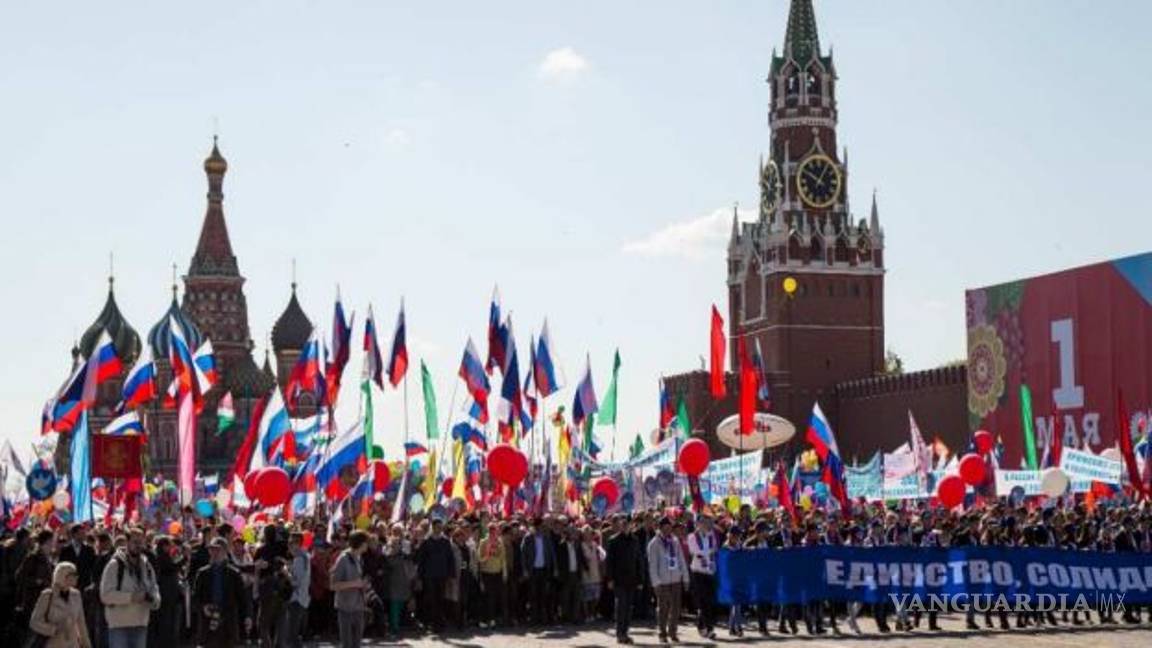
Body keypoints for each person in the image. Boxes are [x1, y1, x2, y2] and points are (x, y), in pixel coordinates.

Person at [99, 528, 160, 648]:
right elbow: (105, 595)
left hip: (141, 624)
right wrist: (131, 597)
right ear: (127, 543)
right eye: (135, 542)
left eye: (140, 542)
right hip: (119, 626)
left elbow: (154, 588)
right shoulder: (114, 565)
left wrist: (154, 600)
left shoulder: (147, 566)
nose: (138, 545)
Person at [192, 538, 250, 648]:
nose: (214, 553)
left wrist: (247, 616)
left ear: (225, 551)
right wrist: (203, 607)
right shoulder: (202, 573)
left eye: (217, 550)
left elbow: (242, 598)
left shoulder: (234, 573)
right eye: (212, 550)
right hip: (208, 620)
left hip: (228, 620)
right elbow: (195, 597)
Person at [29, 561, 91, 648]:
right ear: (62, 576)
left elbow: (81, 624)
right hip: (53, 644)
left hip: (72, 645)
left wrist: (86, 645)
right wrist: (53, 629)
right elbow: (34, 622)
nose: (76, 577)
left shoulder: (76, 595)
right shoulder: (47, 596)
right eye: (72, 574)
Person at [646, 516, 688, 644]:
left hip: (675, 579)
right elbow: (652, 565)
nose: (668, 529)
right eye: (666, 527)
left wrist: (685, 577)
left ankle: (673, 632)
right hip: (662, 582)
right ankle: (662, 633)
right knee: (663, 609)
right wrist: (656, 583)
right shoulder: (654, 543)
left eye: (670, 527)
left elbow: (681, 560)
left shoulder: (674, 541)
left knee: (676, 608)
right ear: (660, 527)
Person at [604, 514, 642, 645]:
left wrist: (640, 580)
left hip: (632, 580)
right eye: (623, 524)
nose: (625, 526)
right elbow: (609, 562)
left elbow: (639, 561)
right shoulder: (613, 540)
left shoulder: (635, 540)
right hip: (619, 580)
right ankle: (620, 633)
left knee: (628, 608)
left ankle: (625, 632)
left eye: (628, 524)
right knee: (621, 606)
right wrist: (610, 579)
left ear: (631, 525)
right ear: (620, 525)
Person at [330, 530, 370, 648]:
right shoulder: (343, 559)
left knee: (356, 644)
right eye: (366, 542)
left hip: (358, 606)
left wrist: (363, 585)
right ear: (361, 544)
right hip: (345, 608)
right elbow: (333, 585)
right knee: (347, 644)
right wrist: (355, 584)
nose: (368, 545)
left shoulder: (359, 558)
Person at [414, 518, 454, 633]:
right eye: (437, 527)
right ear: (433, 527)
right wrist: (419, 577)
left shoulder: (445, 541)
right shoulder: (426, 541)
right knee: (430, 599)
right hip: (429, 575)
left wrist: (451, 575)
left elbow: (450, 559)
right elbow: (421, 560)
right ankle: (429, 622)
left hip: (442, 575)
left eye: (441, 527)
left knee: (440, 599)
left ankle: (439, 623)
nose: (439, 529)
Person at [686, 515, 719, 639]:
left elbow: (714, 549)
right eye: (704, 523)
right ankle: (709, 628)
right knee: (703, 600)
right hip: (698, 572)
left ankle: (702, 625)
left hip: (709, 571)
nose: (708, 525)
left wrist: (708, 553)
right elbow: (695, 551)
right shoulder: (692, 537)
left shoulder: (711, 536)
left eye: (709, 523)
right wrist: (707, 552)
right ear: (698, 524)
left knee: (710, 601)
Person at [520, 518, 556, 626]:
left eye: (542, 527)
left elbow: (552, 554)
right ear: (535, 527)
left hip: (544, 570)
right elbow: (523, 555)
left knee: (544, 595)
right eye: (540, 527)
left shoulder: (546, 538)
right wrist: (525, 569)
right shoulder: (528, 538)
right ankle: (534, 619)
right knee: (533, 596)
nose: (541, 529)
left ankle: (543, 619)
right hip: (533, 571)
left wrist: (555, 568)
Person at [277, 532, 311, 648]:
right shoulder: (304, 556)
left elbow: (296, 582)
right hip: (301, 598)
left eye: (292, 543)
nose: (289, 546)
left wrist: (286, 572)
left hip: (297, 599)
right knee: (292, 634)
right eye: (289, 543)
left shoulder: (300, 558)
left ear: (299, 544)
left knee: (292, 635)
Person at [477, 522, 506, 629]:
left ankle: (493, 619)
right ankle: (486, 619)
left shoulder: (500, 542)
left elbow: (503, 559)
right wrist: (487, 553)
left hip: (497, 572)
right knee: (487, 597)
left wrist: (504, 573)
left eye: (495, 530)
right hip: (487, 573)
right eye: (491, 530)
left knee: (496, 597)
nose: (493, 532)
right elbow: (479, 559)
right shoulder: (483, 542)